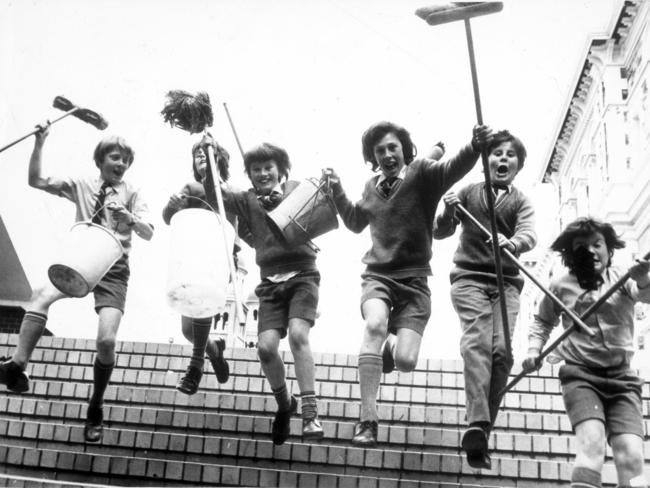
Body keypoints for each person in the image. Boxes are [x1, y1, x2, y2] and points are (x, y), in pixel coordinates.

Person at [325, 121, 492, 447]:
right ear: (373, 156)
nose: (387, 154)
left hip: (415, 282)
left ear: (404, 149)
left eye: (392, 148)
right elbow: (356, 221)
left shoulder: (423, 174)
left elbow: (453, 168)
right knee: (374, 324)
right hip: (379, 276)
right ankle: (368, 420)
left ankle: (389, 349)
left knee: (405, 361)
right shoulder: (371, 187)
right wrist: (337, 191)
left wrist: (474, 146)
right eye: (380, 150)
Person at [0, 124, 153, 443]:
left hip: (114, 265)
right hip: (81, 255)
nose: (121, 164)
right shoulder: (82, 184)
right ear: (100, 160)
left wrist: (130, 218)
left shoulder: (133, 192)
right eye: (115, 157)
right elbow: (36, 180)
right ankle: (16, 366)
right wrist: (39, 144)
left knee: (107, 342)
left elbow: (148, 231)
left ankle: (95, 405)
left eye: (126, 159)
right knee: (40, 295)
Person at [207, 139, 323, 445]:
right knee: (265, 349)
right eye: (256, 169)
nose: (262, 173)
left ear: (281, 170)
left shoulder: (297, 189)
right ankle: (286, 405)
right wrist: (211, 160)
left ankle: (310, 412)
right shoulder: (247, 200)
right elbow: (215, 193)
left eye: (268, 167)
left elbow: (326, 202)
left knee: (299, 335)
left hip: (303, 275)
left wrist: (330, 181)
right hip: (270, 283)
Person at [433, 130, 536, 469]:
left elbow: (529, 233)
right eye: (496, 153)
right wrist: (448, 211)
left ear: (518, 166)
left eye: (510, 155)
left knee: (502, 353)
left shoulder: (520, 200)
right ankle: (477, 423)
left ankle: (480, 436)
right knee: (476, 343)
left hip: (506, 284)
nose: (502, 159)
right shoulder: (469, 192)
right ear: (484, 160)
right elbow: (441, 231)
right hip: (469, 280)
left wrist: (514, 243)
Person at [523, 217, 650, 488]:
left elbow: (644, 295)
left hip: (622, 380)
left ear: (608, 249)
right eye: (581, 246)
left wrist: (644, 280)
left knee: (632, 459)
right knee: (591, 444)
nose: (591, 250)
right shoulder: (560, 285)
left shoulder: (623, 277)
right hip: (581, 377)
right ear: (570, 253)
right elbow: (542, 321)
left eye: (597, 244)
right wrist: (534, 350)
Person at [162, 140, 244, 394]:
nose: (201, 156)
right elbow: (168, 217)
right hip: (190, 257)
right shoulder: (190, 187)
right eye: (197, 154)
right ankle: (214, 350)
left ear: (221, 159)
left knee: (204, 301)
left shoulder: (230, 192)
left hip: (215, 261)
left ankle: (195, 366)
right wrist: (173, 204)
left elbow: (233, 230)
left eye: (207, 153)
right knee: (188, 329)